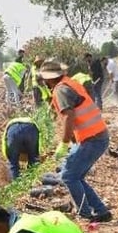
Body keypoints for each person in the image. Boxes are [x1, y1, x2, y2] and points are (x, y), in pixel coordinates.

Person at [38, 60, 111, 223]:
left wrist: (64, 143)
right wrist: (72, 141)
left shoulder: (61, 90)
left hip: (92, 139)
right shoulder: (68, 83)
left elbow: (69, 116)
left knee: (69, 176)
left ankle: (85, 214)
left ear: (49, 78)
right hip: (96, 136)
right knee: (76, 176)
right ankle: (101, 211)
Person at [2, 116, 40, 180]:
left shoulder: (7, 130)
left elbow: (5, 149)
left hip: (13, 130)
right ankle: (32, 181)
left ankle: (15, 184)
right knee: (34, 160)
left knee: (13, 163)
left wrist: (10, 158)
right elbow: (37, 151)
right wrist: (36, 156)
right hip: (31, 128)